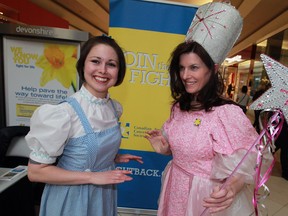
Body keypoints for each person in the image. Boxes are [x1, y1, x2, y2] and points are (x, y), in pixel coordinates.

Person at [145, 2, 272, 216]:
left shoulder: (226, 113)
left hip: (204, 197)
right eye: (182, 68)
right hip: (175, 186)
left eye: (194, 67)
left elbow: (250, 161)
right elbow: (184, 150)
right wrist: (165, 148)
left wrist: (232, 187)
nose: (186, 75)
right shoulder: (179, 107)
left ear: (211, 70)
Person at [25, 35, 143, 216]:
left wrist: (112, 156)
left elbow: (80, 150)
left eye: (111, 64)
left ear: (119, 71)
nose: (103, 70)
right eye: (95, 61)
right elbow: (36, 173)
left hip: (102, 194)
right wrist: (93, 177)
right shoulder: (64, 113)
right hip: (71, 198)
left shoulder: (113, 108)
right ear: (83, 65)